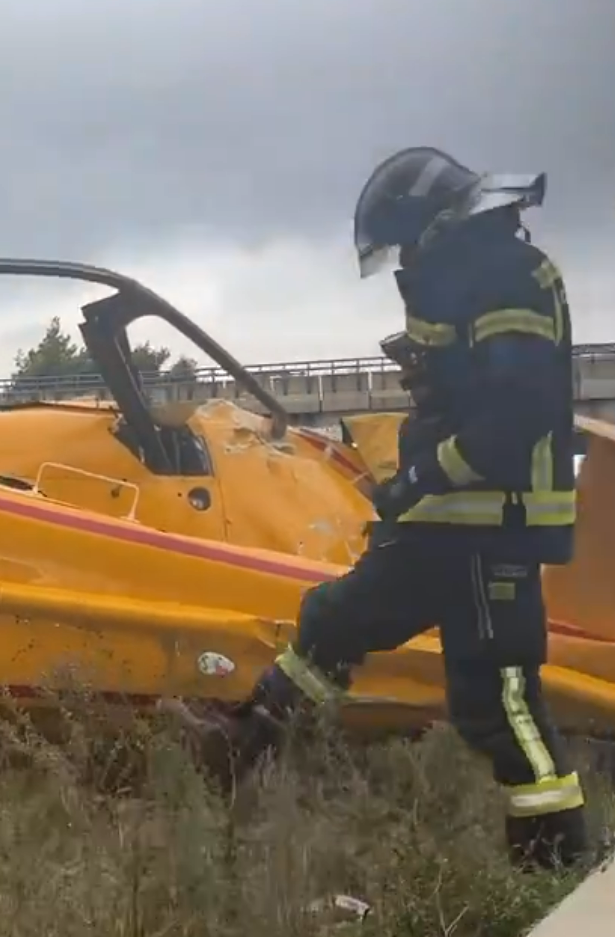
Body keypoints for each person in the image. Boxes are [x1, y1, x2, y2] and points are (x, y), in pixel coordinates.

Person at [170, 147, 586, 871]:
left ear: (433, 226)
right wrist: (418, 474)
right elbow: (466, 390)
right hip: (446, 517)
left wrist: (423, 472)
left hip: (493, 520)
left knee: (495, 698)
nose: (405, 257)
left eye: (406, 241)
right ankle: (244, 743)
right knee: (336, 616)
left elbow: (514, 412)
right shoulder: (467, 275)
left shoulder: (503, 276)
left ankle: (554, 856)